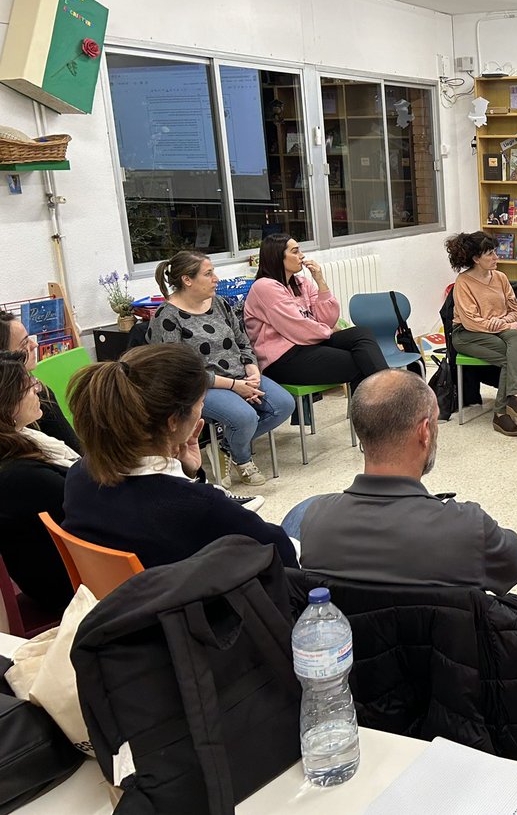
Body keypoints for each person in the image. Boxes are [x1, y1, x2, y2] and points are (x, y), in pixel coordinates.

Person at [280, 369, 517, 709]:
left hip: (359, 691)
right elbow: (511, 568)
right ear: (425, 432)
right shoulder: (467, 527)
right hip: (452, 692)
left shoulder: (313, 519)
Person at [61, 345, 297, 569]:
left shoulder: (79, 475)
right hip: (207, 605)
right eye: (200, 405)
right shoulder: (201, 506)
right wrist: (195, 487)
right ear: (173, 421)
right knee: (308, 514)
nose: (201, 412)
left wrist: (188, 474)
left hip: (129, 602)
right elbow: (284, 555)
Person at [148, 251, 294, 487]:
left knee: (284, 405)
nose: (216, 278)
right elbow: (178, 372)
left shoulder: (219, 303)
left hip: (240, 377)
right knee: (244, 417)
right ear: (187, 280)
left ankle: (226, 446)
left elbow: (242, 340)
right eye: (208, 273)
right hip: (200, 386)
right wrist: (236, 386)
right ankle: (243, 459)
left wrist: (252, 369)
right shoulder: (167, 317)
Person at [242, 234, 388, 397]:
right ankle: (390, 403)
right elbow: (297, 328)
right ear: (277, 256)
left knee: (362, 333)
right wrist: (329, 331)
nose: (302, 256)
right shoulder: (264, 287)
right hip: (281, 360)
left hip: (309, 343)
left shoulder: (301, 282)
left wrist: (320, 281)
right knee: (360, 362)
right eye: (295, 252)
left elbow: (328, 319)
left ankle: (388, 400)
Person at [0, 355, 76, 614]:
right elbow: (95, 502)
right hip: (67, 588)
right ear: (7, 404)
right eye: (29, 384)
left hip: (63, 569)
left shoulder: (23, 444)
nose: (38, 388)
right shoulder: (18, 473)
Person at [446, 231, 517, 437]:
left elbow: (516, 311)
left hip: (497, 329)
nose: (496, 258)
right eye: (490, 254)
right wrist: (501, 325)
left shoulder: (500, 277)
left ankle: (514, 398)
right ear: (476, 259)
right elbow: (470, 321)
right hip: (467, 334)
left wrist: (503, 322)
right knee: (509, 357)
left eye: (495, 252)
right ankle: (502, 413)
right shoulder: (463, 282)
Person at [0, 311, 78, 450]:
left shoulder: (40, 393)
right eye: (24, 343)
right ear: (5, 357)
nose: (34, 345)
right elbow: (76, 450)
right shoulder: (34, 398)